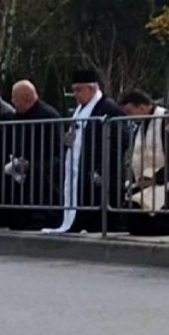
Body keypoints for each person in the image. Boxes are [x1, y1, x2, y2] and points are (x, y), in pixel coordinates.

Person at [47, 69, 126, 234]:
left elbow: (120, 139)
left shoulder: (108, 108)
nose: (75, 94)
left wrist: (101, 166)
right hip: (79, 164)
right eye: (74, 90)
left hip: (98, 166)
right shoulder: (79, 111)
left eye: (78, 90)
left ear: (91, 89)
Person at [119, 90, 169, 236]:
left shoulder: (166, 121)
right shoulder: (142, 126)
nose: (128, 116)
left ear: (142, 107)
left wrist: (157, 178)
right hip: (150, 183)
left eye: (130, 111)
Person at [0, 80, 64, 231]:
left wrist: (29, 162)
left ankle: (40, 217)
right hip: (21, 161)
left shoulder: (47, 115)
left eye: (14, 98)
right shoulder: (18, 116)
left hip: (44, 162)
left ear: (25, 97)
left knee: (39, 175)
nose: (12, 101)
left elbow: (52, 147)